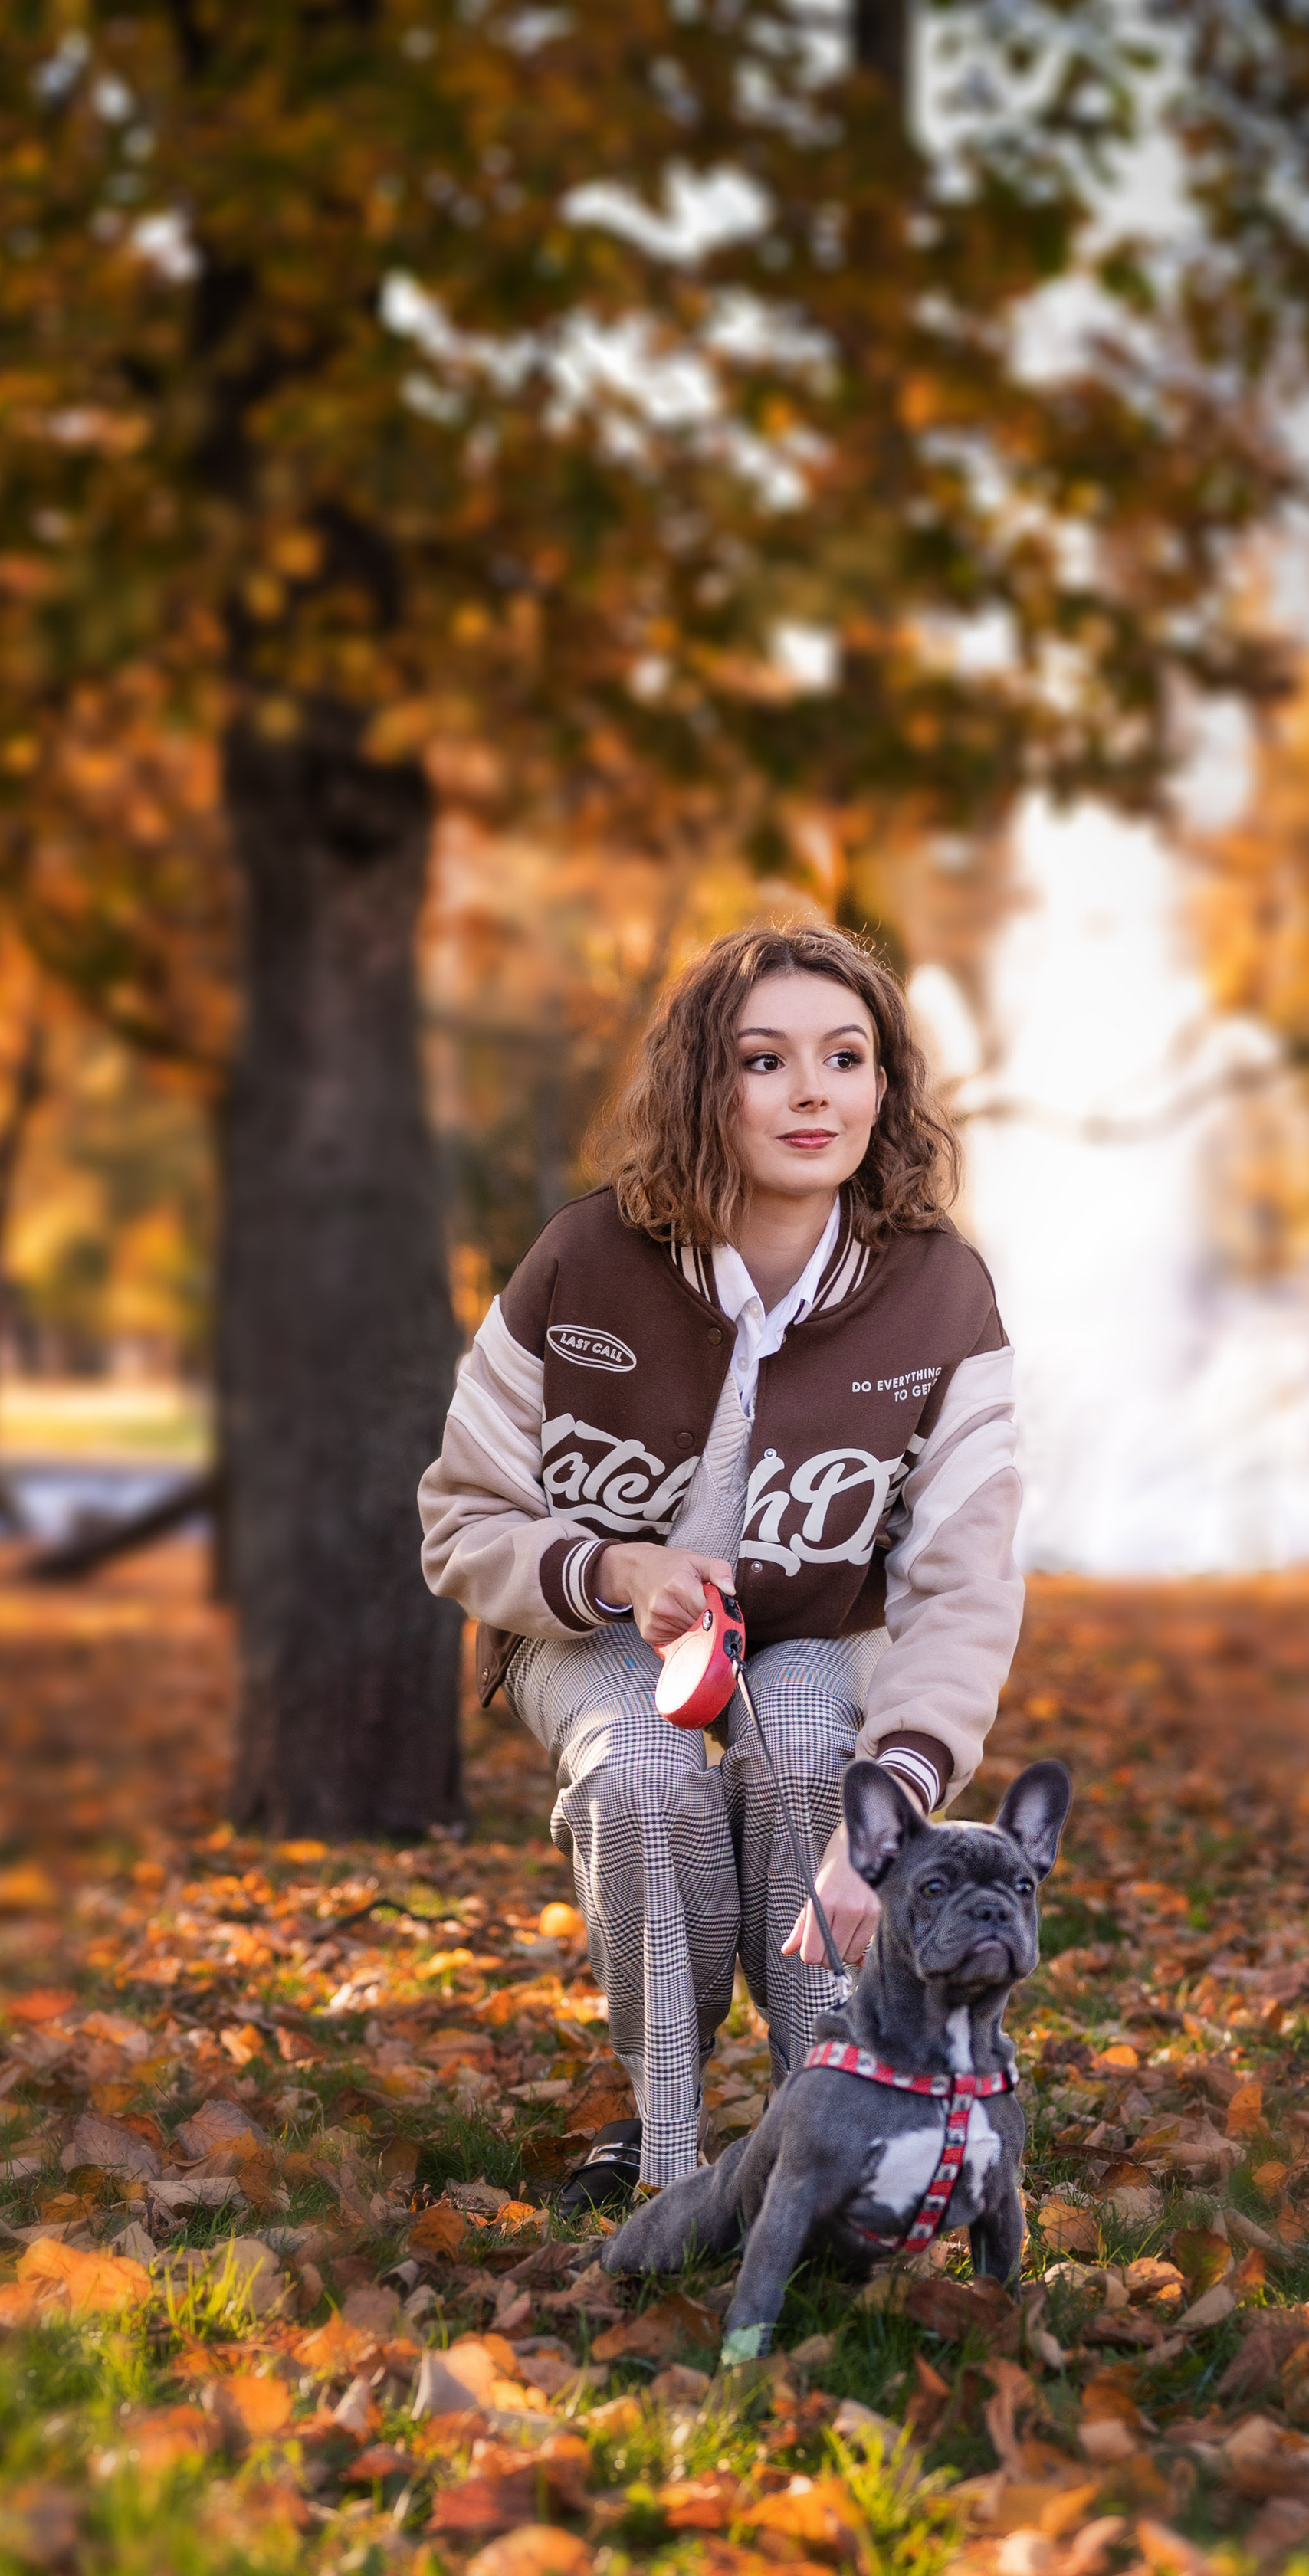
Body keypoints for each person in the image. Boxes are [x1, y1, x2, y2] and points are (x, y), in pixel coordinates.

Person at [418, 921, 1022, 2205]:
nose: (813, 1091)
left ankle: (831, 2134)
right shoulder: (582, 1261)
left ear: (884, 1087)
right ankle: (667, 2144)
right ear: (707, 1085)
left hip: (820, 1625)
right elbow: (460, 1521)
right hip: (587, 1628)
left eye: (846, 1057)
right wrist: (612, 1570)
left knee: (820, 1758)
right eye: (766, 1061)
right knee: (641, 1779)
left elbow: (964, 1582)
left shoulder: (944, 1295)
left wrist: (903, 1790)